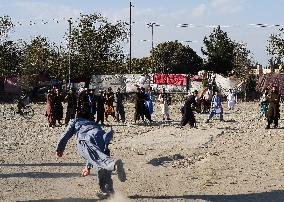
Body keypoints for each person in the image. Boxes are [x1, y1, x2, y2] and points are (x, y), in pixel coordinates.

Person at [55, 110, 126, 197]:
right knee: (101, 163)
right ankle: (108, 191)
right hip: (102, 137)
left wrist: (59, 149)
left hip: (86, 139)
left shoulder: (75, 120)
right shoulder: (93, 123)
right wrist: (87, 167)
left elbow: (65, 135)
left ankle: (114, 165)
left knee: (101, 161)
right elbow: (92, 157)